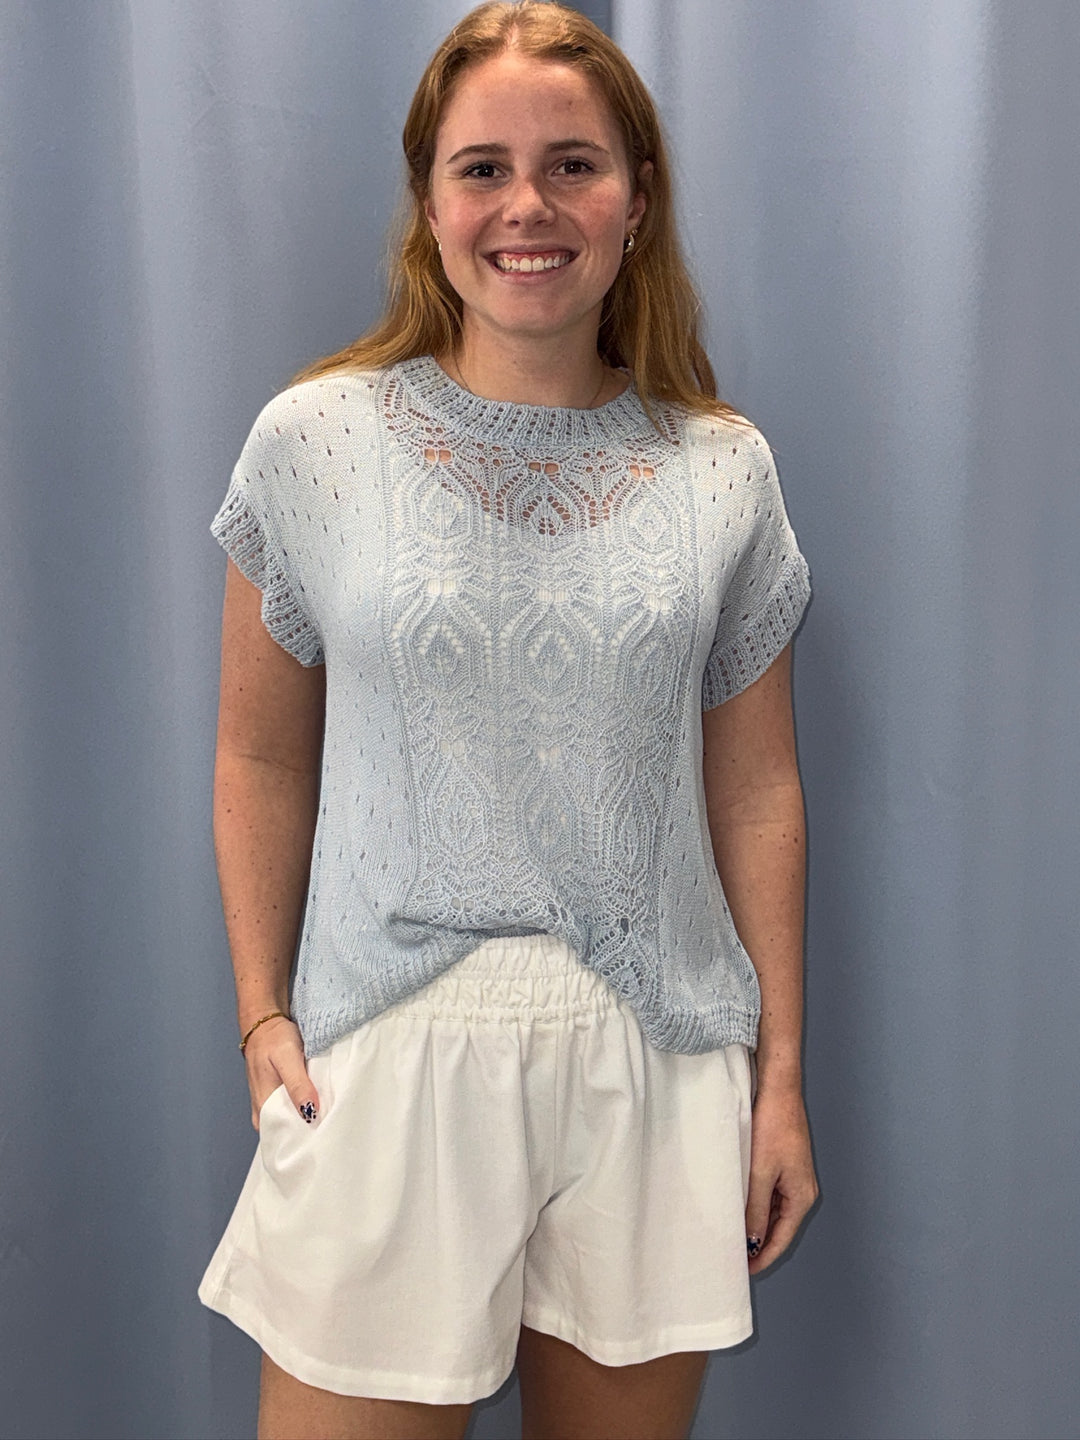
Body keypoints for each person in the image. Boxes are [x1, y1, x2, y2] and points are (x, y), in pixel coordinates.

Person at [197, 3, 818, 1437]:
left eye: (574, 165)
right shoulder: (318, 445)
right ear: (429, 201)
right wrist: (261, 1018)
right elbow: (256, 750)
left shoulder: (723, 472)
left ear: (637, 200)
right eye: (482, 167)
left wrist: (778, 1082)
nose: (527, 206)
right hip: (390, 1054)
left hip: (655, 1066)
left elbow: (758, 793)